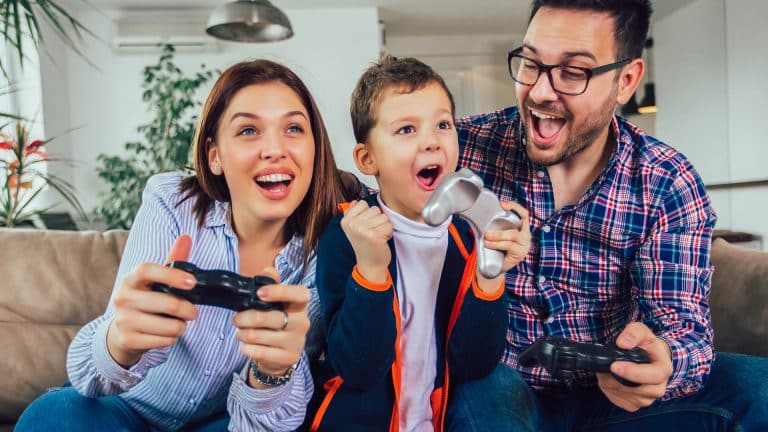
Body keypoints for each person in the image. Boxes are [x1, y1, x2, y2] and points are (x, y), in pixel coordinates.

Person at [448, 0, 768, 431]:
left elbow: (685, 330)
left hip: (611, 400)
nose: (540, 92)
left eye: (573, 72)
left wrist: (662, 362)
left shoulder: (666, 181)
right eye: (530, 63)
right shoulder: (460, 146)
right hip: (501, 391)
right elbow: (382, 185)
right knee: (482, 383)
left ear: (626, 81)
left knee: (757, 384)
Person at [15, 59, 347, 431]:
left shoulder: (327, 253)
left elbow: (267, 424)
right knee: (54, 415)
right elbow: (93, 378)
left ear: (314, 148)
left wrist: (272, 372)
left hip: (222, 422)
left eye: (293, 128)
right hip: (122, 412)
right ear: (215, 156)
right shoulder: (171, 202)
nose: (275, 149)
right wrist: (121, 340)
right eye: (249, 130)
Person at [304, 55, 532, 432]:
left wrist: (490, 273)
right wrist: (372, 270)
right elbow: (358, 367)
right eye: (407, 130)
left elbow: (472, 364)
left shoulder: (464, 240)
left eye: (443, 124)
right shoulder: (347, 235)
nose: (431, 141)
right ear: (367, 158)